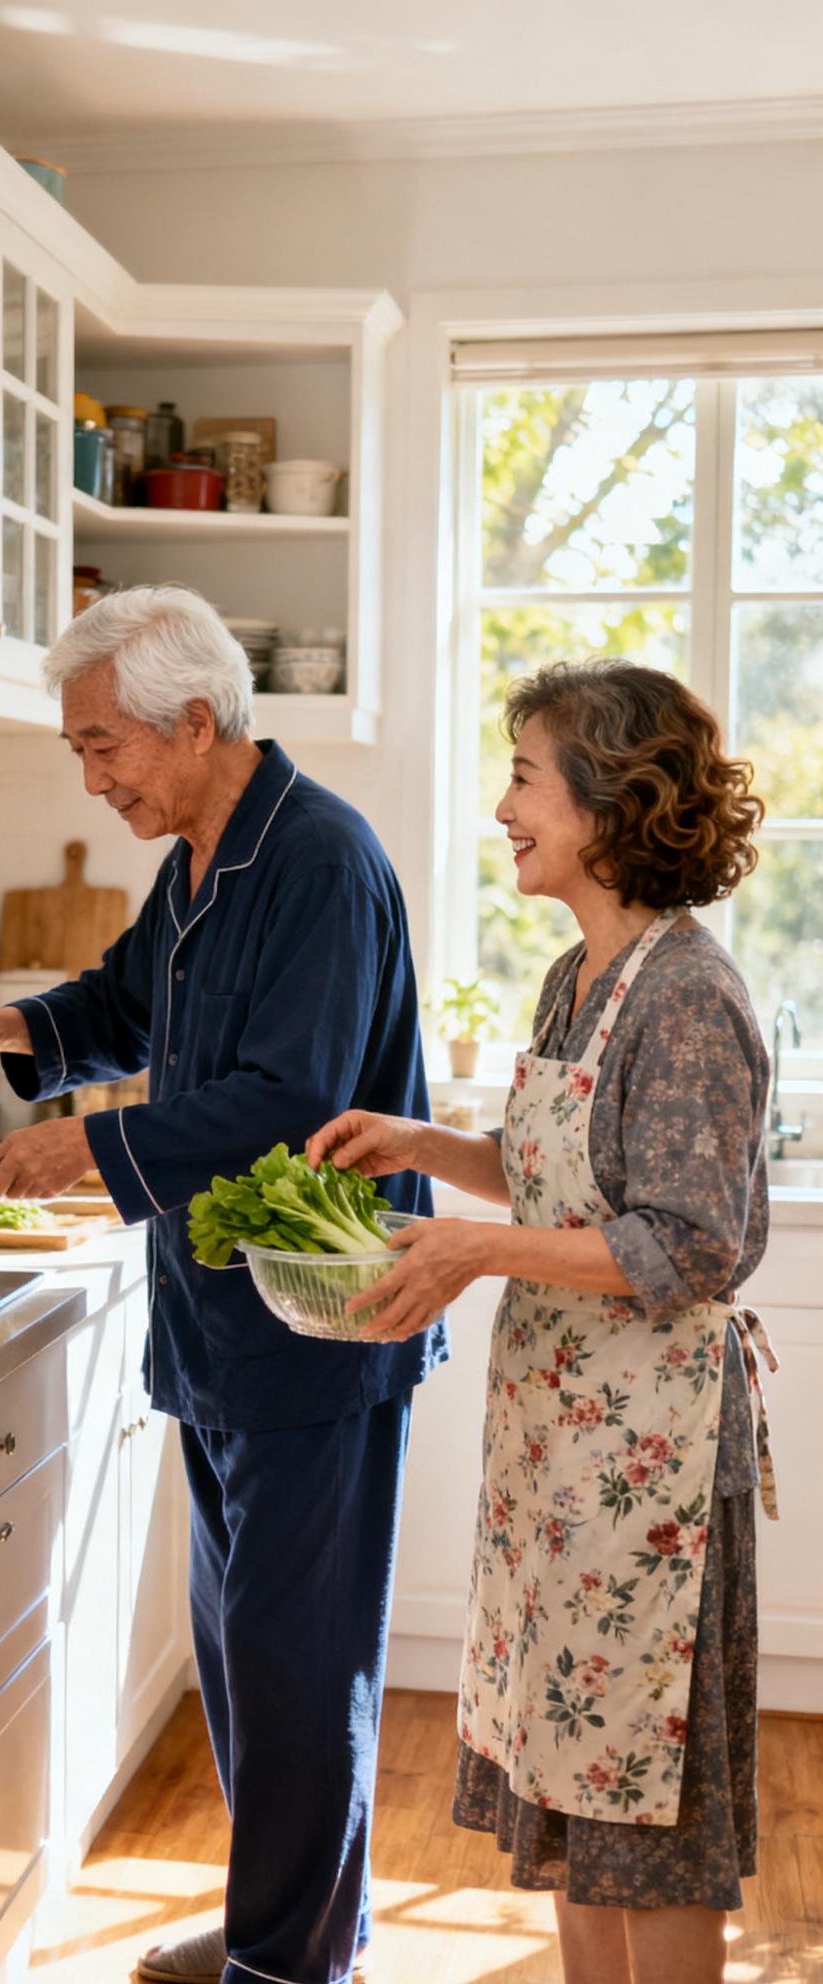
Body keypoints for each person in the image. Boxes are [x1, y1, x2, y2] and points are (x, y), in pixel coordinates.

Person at [0, 586, 448, 1984]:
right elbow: (129, 999)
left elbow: (290, 1101)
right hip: (221, 1323)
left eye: (104, 749)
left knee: (294, 1664)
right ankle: (288, 1927)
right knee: (242, 1656)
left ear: (192, 721)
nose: (91, 780)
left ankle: (287, 1965)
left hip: (317, 1325)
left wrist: (85, 1141)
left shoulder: (319, 860)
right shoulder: (203, 854)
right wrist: (3, 1027)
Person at [308, 658, 777, 1984]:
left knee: (652, 1824)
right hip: (564, 1466)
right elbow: (569, 1181)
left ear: (609, 801)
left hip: (656, 1482)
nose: (501, 806)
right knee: (574, 1803)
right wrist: (430, 1148)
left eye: (523, 776)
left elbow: (686, 1245)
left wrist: (469, 1252)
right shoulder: (582, 978)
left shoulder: (686, 999)